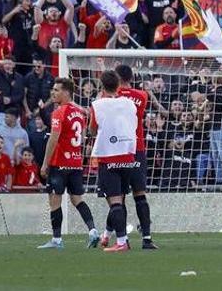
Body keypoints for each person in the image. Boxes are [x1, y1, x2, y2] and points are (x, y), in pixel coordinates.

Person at [37, 78, 99, 249]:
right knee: (77, 199)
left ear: (66, 92)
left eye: (56, 90)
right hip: (76, 163)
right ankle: (93, 230)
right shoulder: (80, 112)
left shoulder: (59, 112)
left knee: (54, 200)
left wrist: (45, 163)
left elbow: (54, 138)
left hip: (60, 163)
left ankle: (57, 240)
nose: (53, 93)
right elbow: (83, 136)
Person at [88, 70, 143, 252]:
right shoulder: (129, 104)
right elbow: (134, 124)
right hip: (128, 157)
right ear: (118, 85)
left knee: (115, 202)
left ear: (101, 85)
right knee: (120, 199)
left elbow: (92, 130)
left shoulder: (97, 105)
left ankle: (121, 242)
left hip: (108, 157)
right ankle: (113, 235)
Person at [112, 64, 157, 249]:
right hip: (137, 148)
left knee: (118, 196)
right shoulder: (142, 96)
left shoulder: (111, 97)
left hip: (119, 148)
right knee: (140, 195)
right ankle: (147, 239)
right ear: (131, 77)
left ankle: (122, 240)